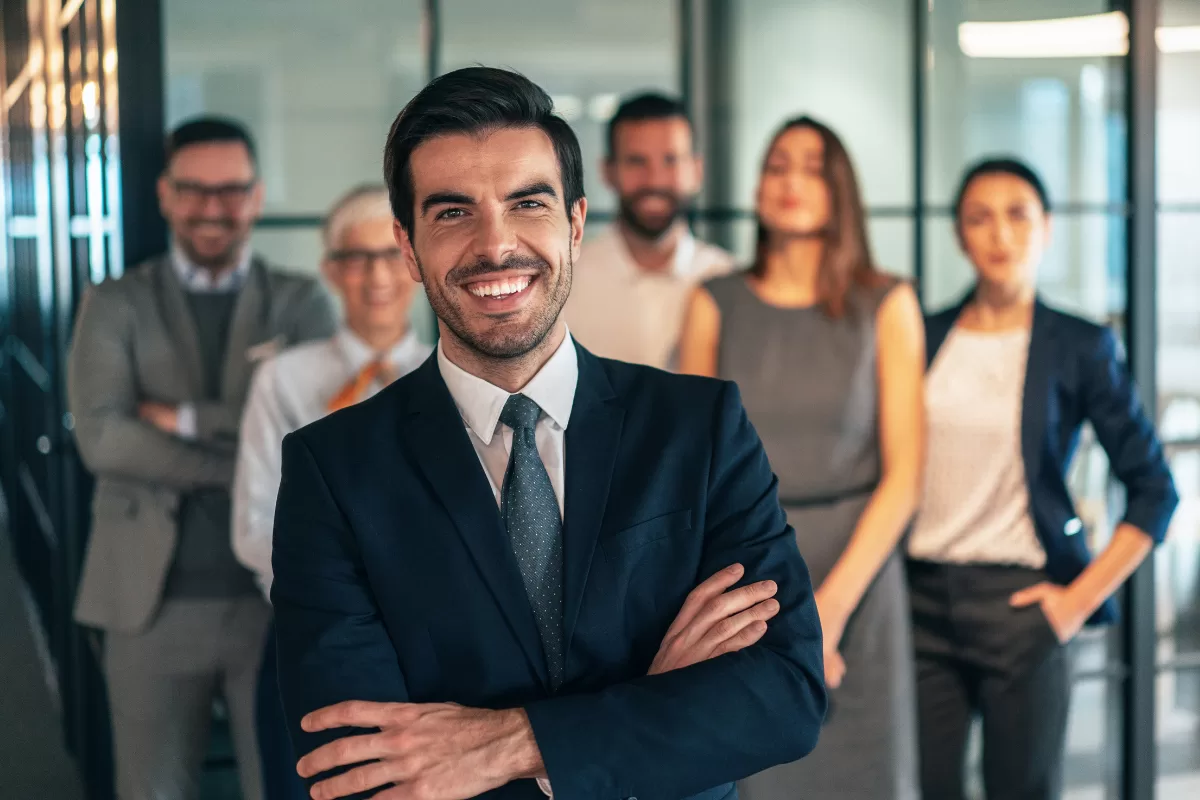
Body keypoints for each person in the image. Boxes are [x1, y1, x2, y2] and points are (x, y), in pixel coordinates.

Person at [271, 67, 827, 800]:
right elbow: (356, 768)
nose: (495, 245)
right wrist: (649, 702)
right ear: (407, 248)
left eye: (527, 203)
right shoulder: (332, 471)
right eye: (451, 213)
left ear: (573, 222)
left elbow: (783, 697)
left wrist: (509, 744)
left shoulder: (701, 428)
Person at [67, 117, 337, 800]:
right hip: (148, 605)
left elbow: (320, 434)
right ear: (165, 194)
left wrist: (183, 422)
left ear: (256, 196)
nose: (212, 208)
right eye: (194, 190)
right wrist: (244, 454)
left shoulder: (302, 302)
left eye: (230, 190)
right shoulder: (114, 303)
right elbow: (103, 439)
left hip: (276, 602)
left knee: (287, 787)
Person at [908, 157, 1179, 800]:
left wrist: (1076, 603)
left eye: (1017, 214)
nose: (999, 234)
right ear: (959, 236)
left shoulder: (1079, 345)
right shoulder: (922, 335)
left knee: (1023, 790)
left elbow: (1154, 489)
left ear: (1047, 228)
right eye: (979, 217)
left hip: (1023, 604)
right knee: (925, 786)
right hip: (919, 604)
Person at [678, 116, 925, 799]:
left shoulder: (889, 303)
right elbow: (695, 473)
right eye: (776, 165)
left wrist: (832, 611)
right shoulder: (713, 303)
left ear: (839, 187)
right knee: (757, 776)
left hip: (861, 579)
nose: (789, 182)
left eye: (811, 167)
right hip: (747, 574)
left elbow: (905, 478)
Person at [232, 184, 431, 800]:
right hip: (313, 634)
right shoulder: (283, 380)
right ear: (331, 271)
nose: (377, 276)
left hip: (435, 645)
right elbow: (253, 527)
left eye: (391, 256)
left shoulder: (451, 378)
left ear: (418, 263)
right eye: (356, 258)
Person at [562, 92, 734, 369]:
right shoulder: (565, 281)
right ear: (608, 171)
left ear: (696, 171)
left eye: (671, 160)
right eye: (636, 161)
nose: (654, 179)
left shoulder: (727, 280)